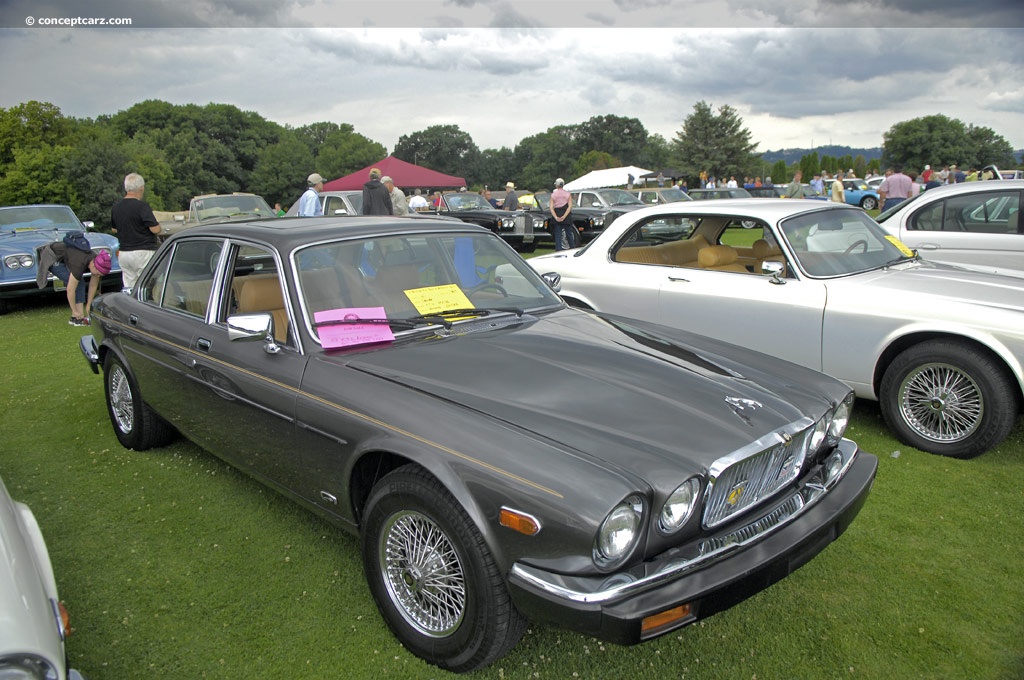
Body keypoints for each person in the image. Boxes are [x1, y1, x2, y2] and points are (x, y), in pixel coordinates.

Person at [36, 239, 112, 326]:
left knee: (79, 281)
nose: (98, 276)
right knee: (78, 282)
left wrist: (88, 305)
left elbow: (93, 285)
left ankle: (78, 318)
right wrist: (74, 310)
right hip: (52, 256)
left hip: (66, 256)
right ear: (94, 265)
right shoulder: (79, 263)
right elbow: (70, 289)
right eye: (98, 274)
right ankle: (76, 318)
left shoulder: (96, 260)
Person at [111, 172, 161, 290]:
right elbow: (155, 229)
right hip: (142, 251)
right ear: (141, 188)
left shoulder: (116, 207)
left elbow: (114, 229)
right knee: (146, 286)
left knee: (129, 287)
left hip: (124, 253)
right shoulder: (142, 207)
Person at [549, 177, 575, 251]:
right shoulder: (567, 194)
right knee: (569, 234)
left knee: (558, 235)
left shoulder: (553, 195)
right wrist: (564, 216)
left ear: (556, 185)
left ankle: (558, 250)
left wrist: (556, 217)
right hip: (566, 216)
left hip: (557, 214)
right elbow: (570, 206)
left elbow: (551, 207)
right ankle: (572, 249)